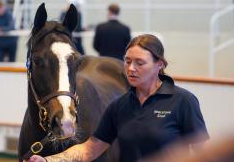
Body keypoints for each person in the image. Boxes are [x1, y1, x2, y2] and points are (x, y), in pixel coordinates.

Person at [26, 34, 209, 162]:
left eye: (140, 63)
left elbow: (202, 152)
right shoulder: (119, 106)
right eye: (128, 61)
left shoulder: (183, 101)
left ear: (159, 65)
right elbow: (89, 149)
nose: (130, 69)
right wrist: (48, 160)